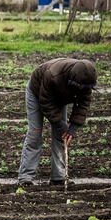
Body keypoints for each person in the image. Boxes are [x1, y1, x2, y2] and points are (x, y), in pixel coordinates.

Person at [17, 58, 97, 186]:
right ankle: (26, 177)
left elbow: (83, 105)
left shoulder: (86, 82)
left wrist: (72, 128)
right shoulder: (53, 75)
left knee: (61, 136)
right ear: (73, 81)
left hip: (60, 97)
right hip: (38, 93)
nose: (82, 90)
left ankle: (58, 177)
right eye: (79, 87)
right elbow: (46, 102)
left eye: (85, 88)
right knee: (35, 133)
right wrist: (60, 124)